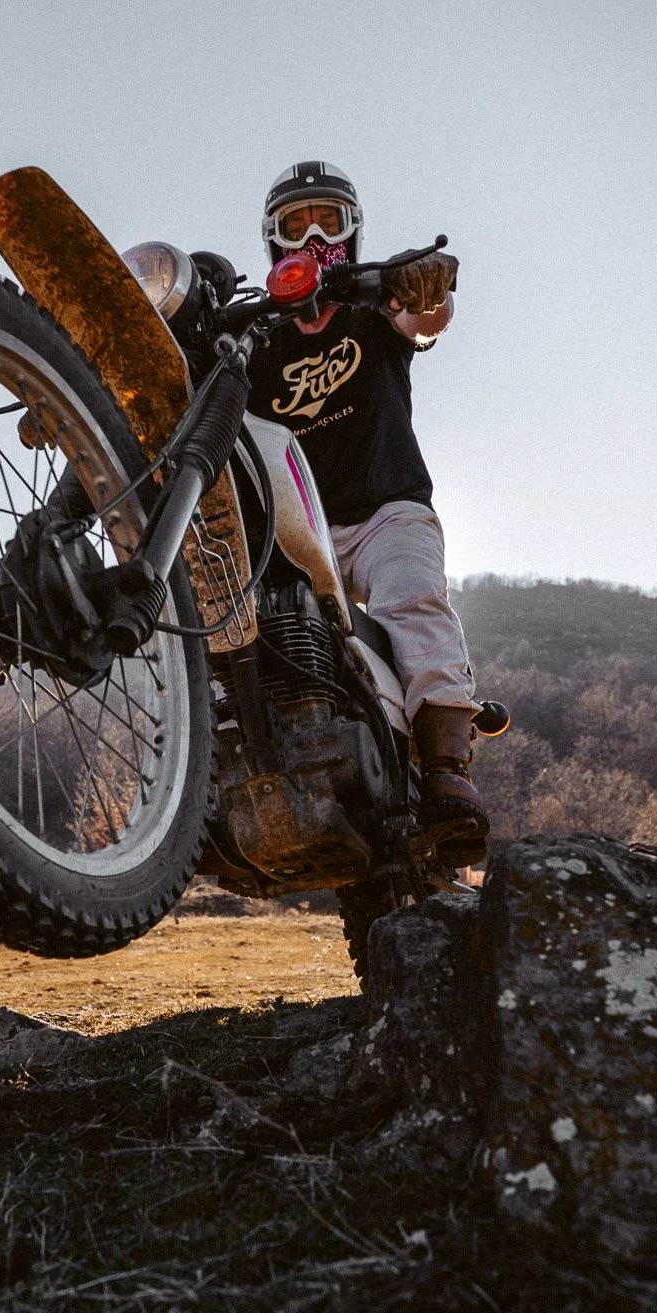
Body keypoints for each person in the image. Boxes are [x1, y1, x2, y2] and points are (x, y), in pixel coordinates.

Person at [247, 161, 489, 864]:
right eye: (297, 224)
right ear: (272, 241)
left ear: (354, 229)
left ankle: (447, 771)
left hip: (388, 511)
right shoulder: (256, 341)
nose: (315, 233)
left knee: (415, 597)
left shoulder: (373, 311)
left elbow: (427, 317)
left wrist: (429, 280)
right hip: (298, 532)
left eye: (328, 218)